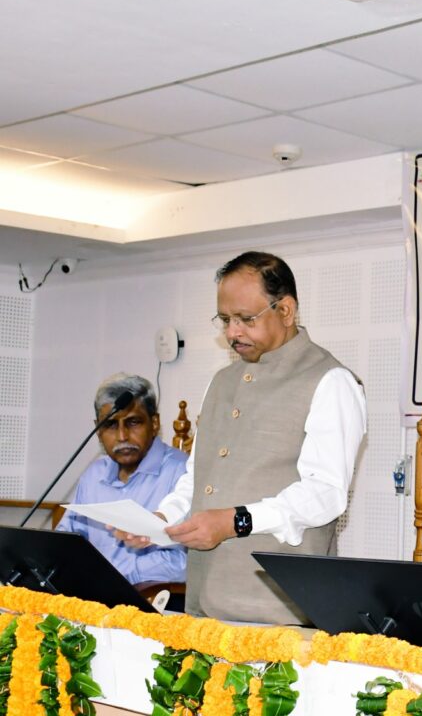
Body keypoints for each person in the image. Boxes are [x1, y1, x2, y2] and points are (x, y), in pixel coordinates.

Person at [140, 251, 367, 625]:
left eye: (246, 319)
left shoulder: (331, 381)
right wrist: (159, 521)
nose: (232, 333)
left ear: (286, 311)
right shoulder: (222, 381)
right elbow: (198, 479)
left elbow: (325, 494)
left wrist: (237, 521)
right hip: (204, 601)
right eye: (225, 320)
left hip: (280, 612)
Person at [58, 373, 188, 585]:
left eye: (133, 422)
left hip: (150, 599)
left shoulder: (183, 472)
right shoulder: (94, 474)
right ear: (98, 429)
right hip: (90, 595)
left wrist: (110, 576)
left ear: (155, 423)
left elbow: (185, 562)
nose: (122, 436)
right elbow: (68, 539)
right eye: (110, 425)